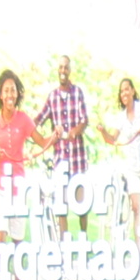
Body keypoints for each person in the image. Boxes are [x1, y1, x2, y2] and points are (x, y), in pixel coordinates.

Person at [97, 76, 140, 252]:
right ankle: (139, 249)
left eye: (127, 89)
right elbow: (112, 140)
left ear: (133, 91)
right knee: (135, 208)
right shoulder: (121, 118)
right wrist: (103, 131)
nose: (124, 92)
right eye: (122, 90)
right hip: (132, 168)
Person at [36, 56, 92, 238]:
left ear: (70, 70)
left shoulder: (78, 93)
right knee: (61, 205)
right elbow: (39, 118)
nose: (63, 71)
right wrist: (26, 126)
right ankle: (64, 244)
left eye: (66, 67)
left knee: (82, 204)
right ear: (57, 70)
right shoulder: (52, 97)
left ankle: (83, 239)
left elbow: (85, 121)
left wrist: (74, 131)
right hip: (60, 159)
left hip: (77, 160)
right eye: (60, 67)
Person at [0, 70, 36, 240]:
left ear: (17, 94)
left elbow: (43, 142)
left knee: (17, 243)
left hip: (18, 188)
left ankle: (15, 267)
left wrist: (56, 135)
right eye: (6, 91)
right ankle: (1, 268)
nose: (9, 95)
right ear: (0, 95)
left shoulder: (24, 119)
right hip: (1, 189)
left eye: (13, 90)